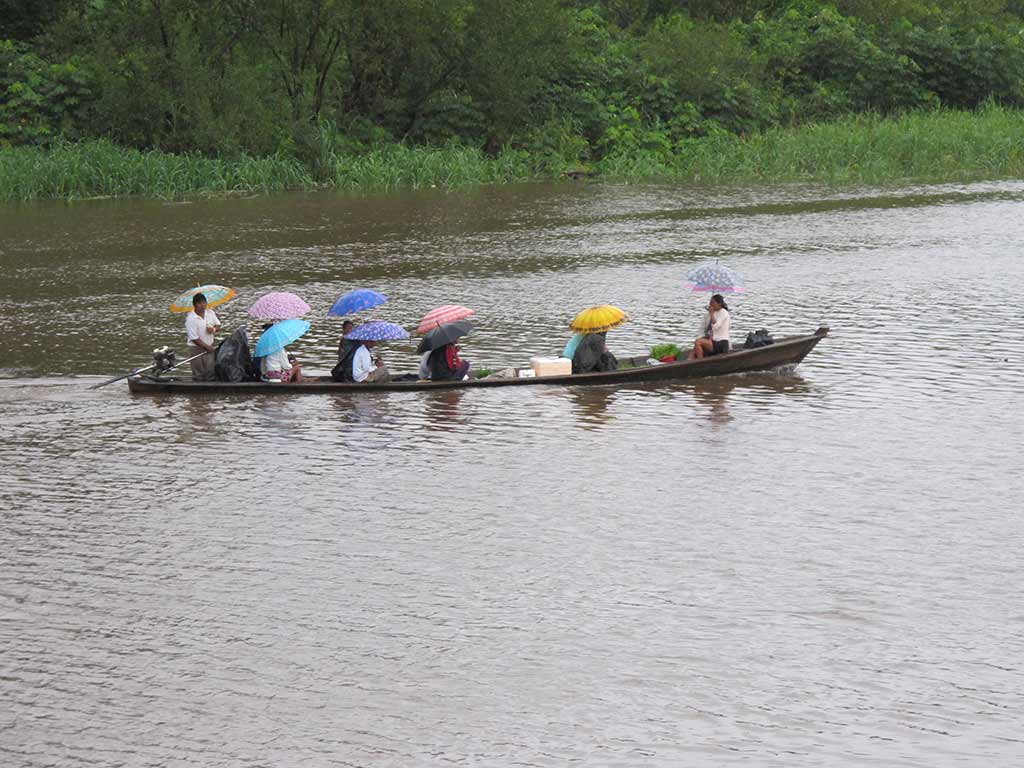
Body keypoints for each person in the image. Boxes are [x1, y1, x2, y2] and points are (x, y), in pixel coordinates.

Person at [185, 292, 220, 381]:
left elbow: (218, 325)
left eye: (204, 302)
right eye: (200, 303)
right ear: (195, 305)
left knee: (210, 371)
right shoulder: (191, 318)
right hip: (196, 349)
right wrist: (206, 347)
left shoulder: (210, 313)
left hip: (209, 346)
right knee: (198, 373)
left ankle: (210, 391)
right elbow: (194, 338)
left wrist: (213, 330)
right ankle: (198, 391)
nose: (203, 305)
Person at [688, 293, 731, 360]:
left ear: (719, 304)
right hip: (711, 341)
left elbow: (716, 326)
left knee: (698, 342)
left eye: (713, 302)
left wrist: (711, 314)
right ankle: (688, 362)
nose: (711, 304)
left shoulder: (724, 313)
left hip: (721, 343)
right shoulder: (707, 315)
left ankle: (700, 362)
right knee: (694, 349)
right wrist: (703, 338)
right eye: (710, 302)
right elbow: (701, 329)